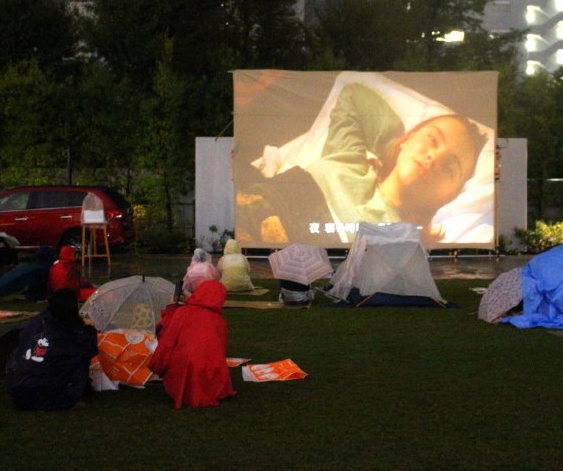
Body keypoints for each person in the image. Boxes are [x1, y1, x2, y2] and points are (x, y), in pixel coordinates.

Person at [243, 81, 486, 243]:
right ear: (407, 140)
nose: (434, 158)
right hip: (250, 213)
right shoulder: (348, 158)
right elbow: (354, 95)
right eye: (432, 140)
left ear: (451, 196)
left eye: (450, 168)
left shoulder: (398, 239)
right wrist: (393, 145)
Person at [5, 288, 98, 410]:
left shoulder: (35, 324)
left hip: (18, 388)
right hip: (43, 392)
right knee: (78, 361)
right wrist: (90, 329)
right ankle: (67, 396)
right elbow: (88, 350)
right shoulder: (69, 335)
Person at [149, 280, 236, 408]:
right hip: (213, 371)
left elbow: (167, 339)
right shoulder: (220, 321)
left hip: (183, 366)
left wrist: (172, 306)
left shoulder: (182, 312)